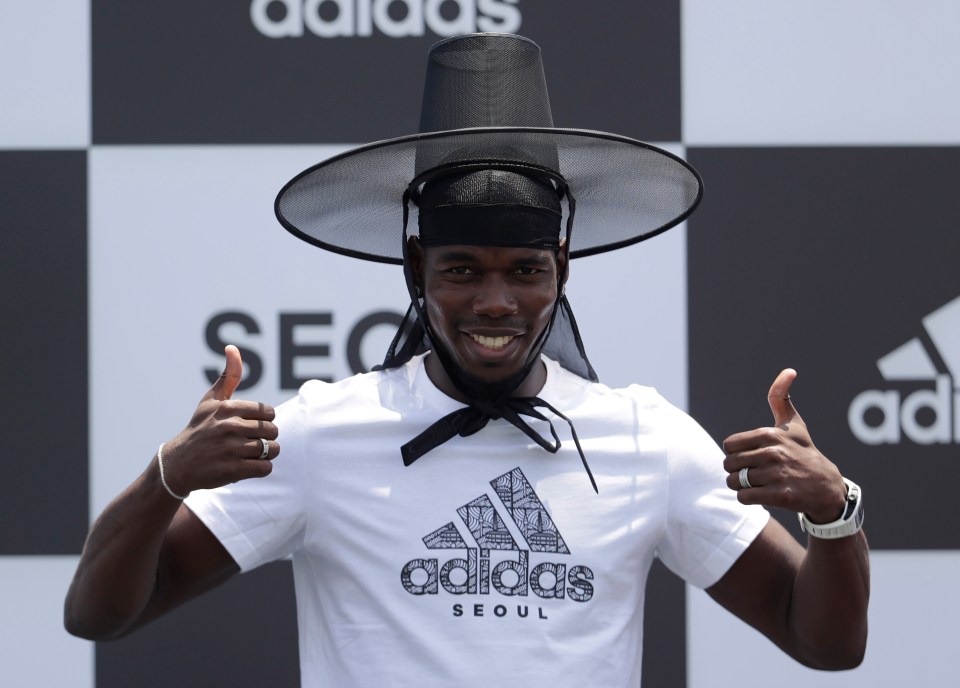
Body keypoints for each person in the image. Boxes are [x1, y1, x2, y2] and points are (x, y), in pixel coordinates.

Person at [65, 33, 869, 687]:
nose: (495, 301)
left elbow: (826, 644)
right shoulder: (319, 432)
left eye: (525, 271)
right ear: (415, 269)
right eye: (461, 271)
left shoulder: (645, 438)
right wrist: (163, 479)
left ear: (561, 268)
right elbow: (100, 615)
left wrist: (835, 514)